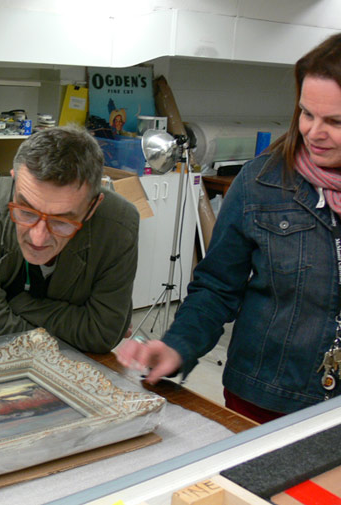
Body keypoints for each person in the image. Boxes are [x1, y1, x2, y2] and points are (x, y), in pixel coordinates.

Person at [115, 32, 341, 423]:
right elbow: (217, 286)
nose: (314, 132)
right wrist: (177, 345)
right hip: (265, 397)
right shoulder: (260, 183)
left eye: (335, 121)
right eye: (307, 113)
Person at [0, 125, 139, 353]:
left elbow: (102, 333)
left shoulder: (119, 227)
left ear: (92, 207)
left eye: (61, 221)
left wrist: (16, 303)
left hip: (78, 365)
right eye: (27, 211)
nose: (38, 238)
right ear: (14, 182)